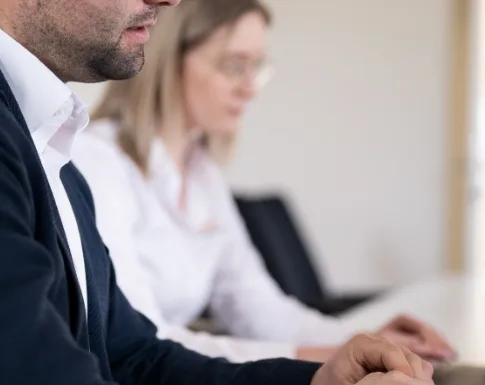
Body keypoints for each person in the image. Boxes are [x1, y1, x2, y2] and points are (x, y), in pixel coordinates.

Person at [0, 0, 467, 385]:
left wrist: (314, 384)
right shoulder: (73, 154)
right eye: (232, 65)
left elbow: (134, 359)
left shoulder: (52, 150)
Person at [69, 0, 454, 364]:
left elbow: (255, 306)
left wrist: (359, 341)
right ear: (167, 62)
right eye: (235, 66)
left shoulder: (202, 174)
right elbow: (142, 345)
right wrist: (330, 357)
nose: (250, 87)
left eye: (256, 67)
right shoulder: (98, 163)